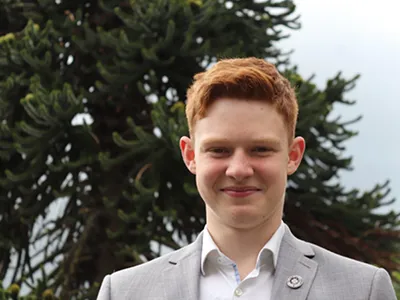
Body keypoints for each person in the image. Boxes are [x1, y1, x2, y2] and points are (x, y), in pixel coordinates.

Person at [97, 57, 396, 299]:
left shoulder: (363, 289)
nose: (239, 170)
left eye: (260, 149)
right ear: (190, 156)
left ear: (293, 155)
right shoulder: (123, 292)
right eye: (219, 150)